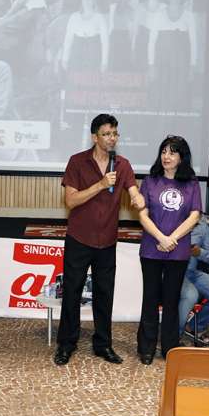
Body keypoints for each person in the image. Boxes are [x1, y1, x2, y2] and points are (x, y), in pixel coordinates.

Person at [54, 113, 145, 366]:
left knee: (105, 295)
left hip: (107, 241)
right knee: (72, 292)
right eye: (106, 134)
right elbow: (70, 201)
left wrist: (138, 199)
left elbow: (133, 191)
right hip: (79, 239)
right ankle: (66, 344)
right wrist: (100, 184)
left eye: (115, 134)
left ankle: (103, 345)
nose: (112, 138)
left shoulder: (123, 165)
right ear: (95, 137)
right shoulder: (77, 162)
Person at [137, 136, 201, 363]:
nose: (167, 156)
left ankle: (169, 347)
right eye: (164, 151)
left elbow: (195, 215)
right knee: (150, 299)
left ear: (182, 157)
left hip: (178, 251)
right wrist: (160, 237)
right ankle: (146, 348)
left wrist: (172, 238)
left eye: (172, 152)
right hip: (151, 249)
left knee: (172, 300)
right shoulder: (150, 181)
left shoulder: (191, 183)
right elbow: (142, 214)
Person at [177, 214, 209, 344]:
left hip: (193, 272)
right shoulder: (171, 220)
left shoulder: (202, 226)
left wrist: (200, 252)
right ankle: (174, 334)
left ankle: (194, 326)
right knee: (190, 295)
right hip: (174, 272)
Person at [147, 0, 197, 112]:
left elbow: (193, 42)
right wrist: (151, 64)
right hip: (162, 63)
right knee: (162, 94)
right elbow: (152, 41)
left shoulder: (189, 16)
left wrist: (192, 66)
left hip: (181, 64)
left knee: (179, 95)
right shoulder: (159, 15)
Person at [61, 0, 109, 74]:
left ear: (93, 0)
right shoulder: (74, 17)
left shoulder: (100, 18)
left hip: (93, 56)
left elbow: (105, 42)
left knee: (91, 83)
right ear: (81, 0)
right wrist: (65, 58)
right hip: (77, 56)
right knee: (76, 82)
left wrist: (104, 62)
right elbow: (68, 40)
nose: (87, 0)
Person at [107, 0, 134, 72]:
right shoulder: (112, 8)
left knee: (124, 67)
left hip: (125, 39)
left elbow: (131, 31)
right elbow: (110, 25)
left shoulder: (131, 10)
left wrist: (131, 48)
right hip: (114, 38)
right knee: (113, 67)